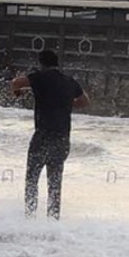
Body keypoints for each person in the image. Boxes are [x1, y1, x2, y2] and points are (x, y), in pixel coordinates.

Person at [11, 49, 90, 219]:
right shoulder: (69, 81)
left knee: (32, 178)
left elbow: (16, 83)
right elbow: (85, 101)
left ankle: (30, 217)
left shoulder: (39, 77)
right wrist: (66, 103)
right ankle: (53, 220)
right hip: (62, 138)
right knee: (55, 182)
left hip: (43, 135)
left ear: (41, 64)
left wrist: (19, 91)